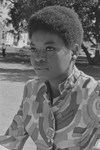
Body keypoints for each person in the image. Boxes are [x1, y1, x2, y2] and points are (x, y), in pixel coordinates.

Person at [0, 5, 100, 150]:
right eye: (33, 49)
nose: (38, 58)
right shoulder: (32, 90)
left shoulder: (94, 95)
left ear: (74, 51)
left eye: (49, 49)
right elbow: (11, 141)